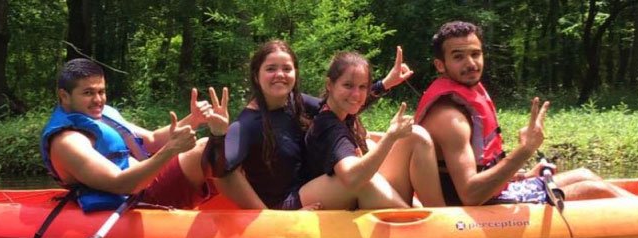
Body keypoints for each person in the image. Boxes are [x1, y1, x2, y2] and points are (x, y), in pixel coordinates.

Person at [415, 21, 632, 206]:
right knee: (594, 190)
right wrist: (525, 150)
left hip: (493, 193)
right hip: (474, 211)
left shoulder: (463, 102)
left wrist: (523, 175)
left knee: (585, 174)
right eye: (458, 57)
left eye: (475, 54)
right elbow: (470, 195)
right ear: (440, 65)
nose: (471, 63)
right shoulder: (450, 119)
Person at [205, 40, 413, 210]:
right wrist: (217, 134)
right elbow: (219, 171)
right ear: (256, 76)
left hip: (309, 187)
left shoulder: (296, 102)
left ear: (295, 73)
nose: (280, 74)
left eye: (286, 68)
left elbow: (340, 103)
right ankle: (413, 223)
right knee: (364, 181)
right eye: (270, 69)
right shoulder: (246, 125)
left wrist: (384, 84)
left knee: (381, 147)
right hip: (285, 206)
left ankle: (415, 215)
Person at [40, 58, 228, 211]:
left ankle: (243, 207)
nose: (98, 100)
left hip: (144, 183)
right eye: (88, 93)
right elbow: (121, 184)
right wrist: (170, 150)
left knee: (227, 148)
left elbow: (152, 141)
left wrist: (194, 119)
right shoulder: (67, 141)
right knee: (205, 148)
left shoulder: (101, 115)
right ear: (64, 96)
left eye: (101, 91)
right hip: (133, 197)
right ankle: (256, 215)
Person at [303, 51, 445, 208]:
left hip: (348, 189)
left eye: (362, 86)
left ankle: (439, 213)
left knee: (416, 135)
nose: (356, 94)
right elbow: (353, 178)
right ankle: (416, 221)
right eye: (348, 85)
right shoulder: (328, 124)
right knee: (368, 180)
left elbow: (361, 99)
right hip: (325, 195)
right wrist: (391, 136)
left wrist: (387, 82)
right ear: (330, 85)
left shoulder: (345, 112)